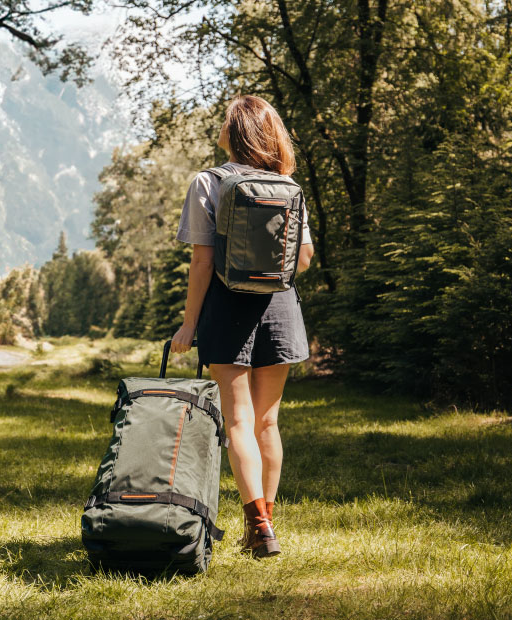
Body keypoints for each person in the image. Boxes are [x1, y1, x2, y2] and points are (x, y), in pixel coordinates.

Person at [170, 94, 315, 558]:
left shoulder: (208, 182)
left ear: (232, 133)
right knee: (267, 422)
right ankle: (264, 525)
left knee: (238, 421)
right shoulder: (287, 186)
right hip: (280, 307)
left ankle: (258, 525)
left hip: (227, 308)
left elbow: (202, 261)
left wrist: (189, 324)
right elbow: (305, 259)